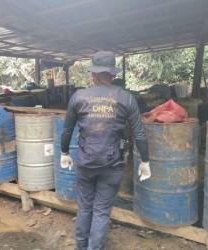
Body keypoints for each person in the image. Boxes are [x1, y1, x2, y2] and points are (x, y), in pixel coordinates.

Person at [60, 51, 151, 250]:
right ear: (113, 75)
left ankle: (80, 247)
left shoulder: (78, 97)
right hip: (112, 165)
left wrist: (64, 153)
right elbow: (139, 133)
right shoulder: (126, 98)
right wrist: (145, 161)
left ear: (93, 75)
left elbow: (67, 130)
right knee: (101, 212)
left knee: (84, 208)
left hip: (86, 163)